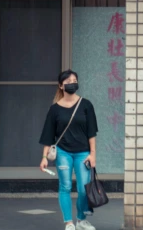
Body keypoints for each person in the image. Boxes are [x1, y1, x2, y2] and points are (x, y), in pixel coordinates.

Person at [39, 70, 99, 230]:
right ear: (61, 86)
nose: (72, 83)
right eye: (68, 81)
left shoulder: (86, 105)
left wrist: (93, 154)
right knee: (65, 186)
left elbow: (92, 132)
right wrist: (44, 157)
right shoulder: (54, 110)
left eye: (74, 80)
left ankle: (81, 220)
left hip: (83, 153)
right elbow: (48, 136)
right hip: (63, 152)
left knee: (83, 188)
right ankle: (69, 222)